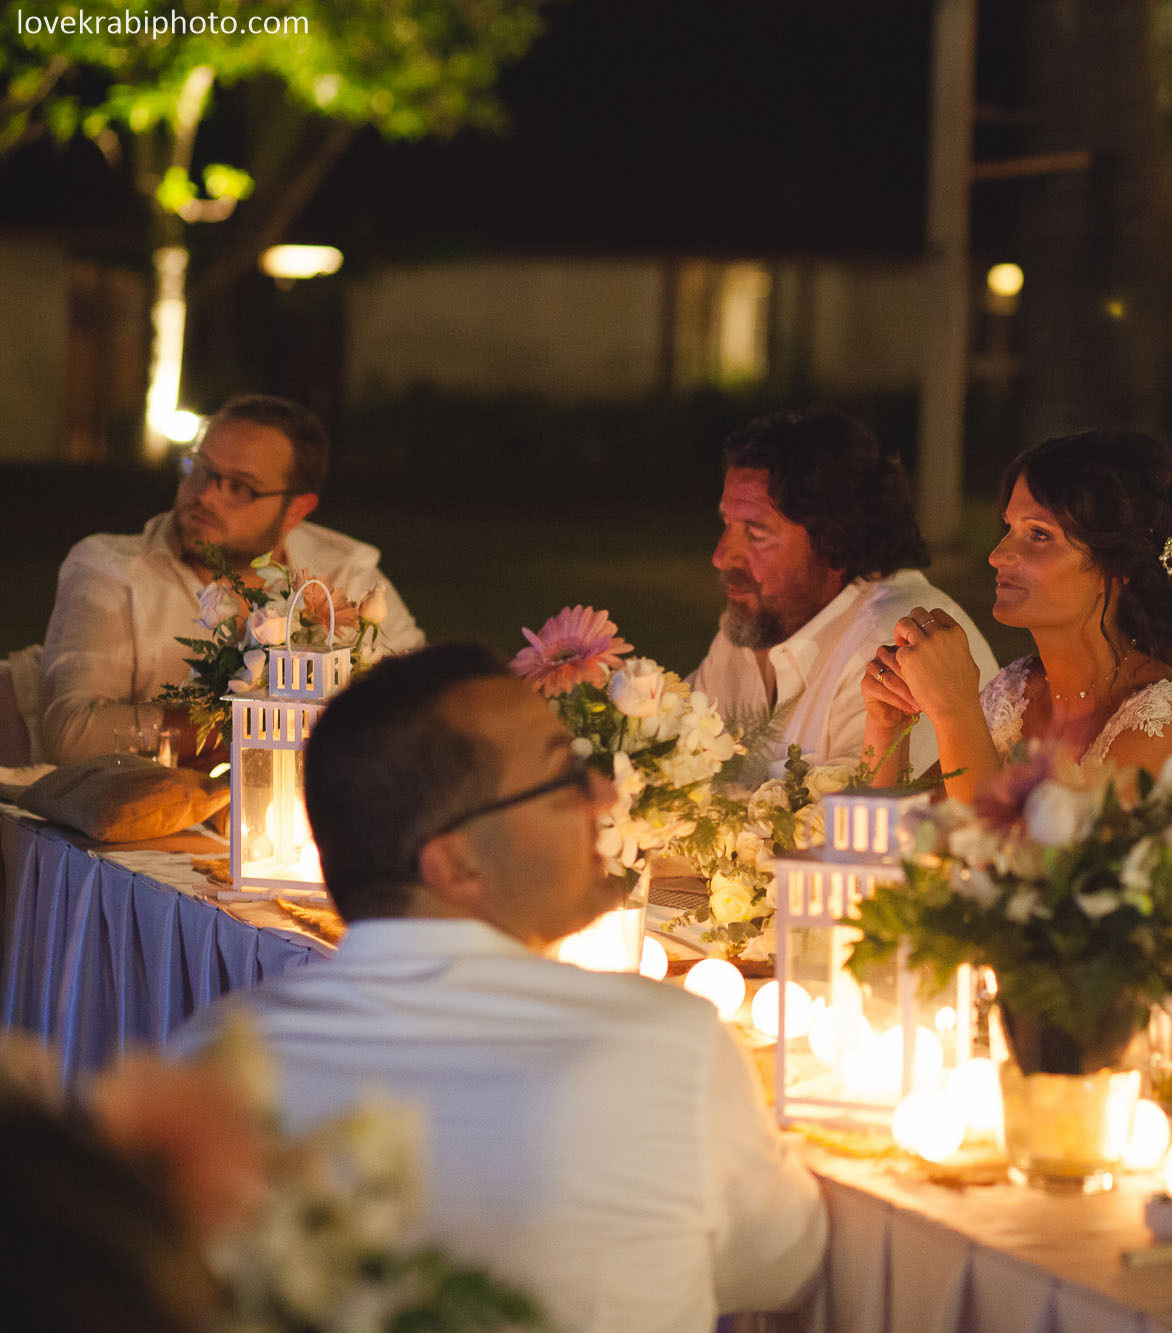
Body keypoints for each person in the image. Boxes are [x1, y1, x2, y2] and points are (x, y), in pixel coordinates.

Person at [168, 644, 827, 1332]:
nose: (604, 795)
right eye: (562, 777)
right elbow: (783, 1265)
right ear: (453, 861)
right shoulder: (670, 1047)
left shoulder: (214, 1058)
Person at [864, 429, 1172, 803]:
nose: (997, 556)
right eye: (1009, 528)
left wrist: (955, 709)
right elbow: (903, 836)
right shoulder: (1018, 692)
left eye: (1039, 535)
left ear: (1118, 566)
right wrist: (887, 727)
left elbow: (1004, 863)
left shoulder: (1160, 728)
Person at [39, 395, 424, 767]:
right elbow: (72, 734)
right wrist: (257, 721)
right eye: (200, 470)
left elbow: (424, 703)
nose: (205, 496)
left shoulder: (344, 573)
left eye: (240, 487)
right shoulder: (112, 571)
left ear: (295, 510)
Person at [688, 410, 997, 779]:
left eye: (756, 534)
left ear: (834, 544)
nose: (721, 556)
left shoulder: (893, 642)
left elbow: (880, 824)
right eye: (726, 524)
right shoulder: (752, 624)